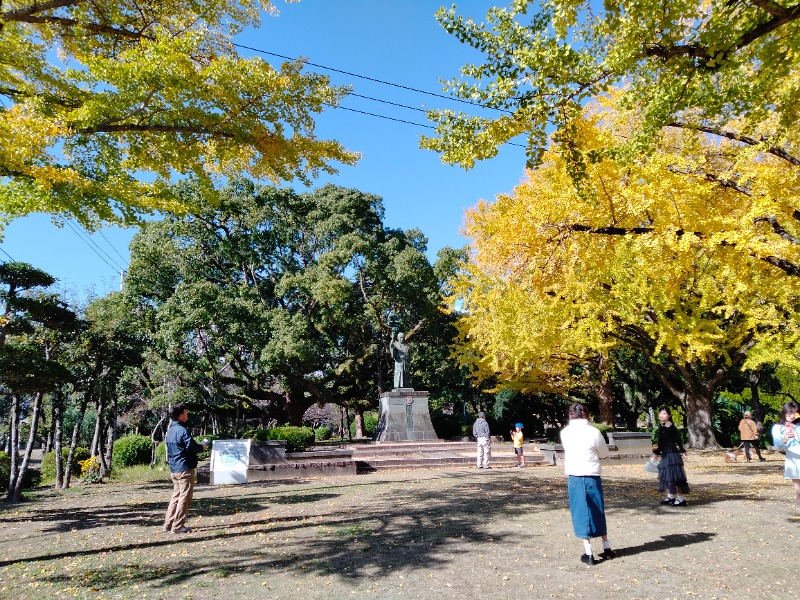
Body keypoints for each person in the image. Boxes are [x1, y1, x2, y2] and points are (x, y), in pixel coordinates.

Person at [560, 403, 615, 565]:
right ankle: (606, 547)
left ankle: (588, 552)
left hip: (575, 475)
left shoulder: (565, 433)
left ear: (570, 415)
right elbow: (604, 453)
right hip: (592, 473)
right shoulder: (594, 432)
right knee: (598, 508)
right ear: (586, 414)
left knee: (580, 511)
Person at [163, 403, 209, 534]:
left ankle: (168, 524)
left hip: (174, 468)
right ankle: (178, 526)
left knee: (176, 496)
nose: (187, 414)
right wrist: (203, 446)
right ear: (180, 415)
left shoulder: (170, 430)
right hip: (184, 468)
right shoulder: (182, 430)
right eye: (186, 413)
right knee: (185, 497)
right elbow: (192, 447)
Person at [652, 407, 689, 507]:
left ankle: (681, 499)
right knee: (665, 475)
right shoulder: (663, 427)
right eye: (660, 413)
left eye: (664, 413)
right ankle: (671, 496)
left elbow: (677, 440)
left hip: (672, 454)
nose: (661, 415)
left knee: (675, 477)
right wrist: (657, 453)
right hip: (665, 453)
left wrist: (682, 450)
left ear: (669, 415)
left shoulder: (670, 427)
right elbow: (661, 443)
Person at [772, 401, 800, 511]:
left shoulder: (798, 426)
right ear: (785, 412)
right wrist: (785, 438)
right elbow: (778, 446)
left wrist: (796, 433)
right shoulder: (778, 427)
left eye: (795, 413)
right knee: (798, 488)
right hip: (792, 457)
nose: (792, 415)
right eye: (790, 412)